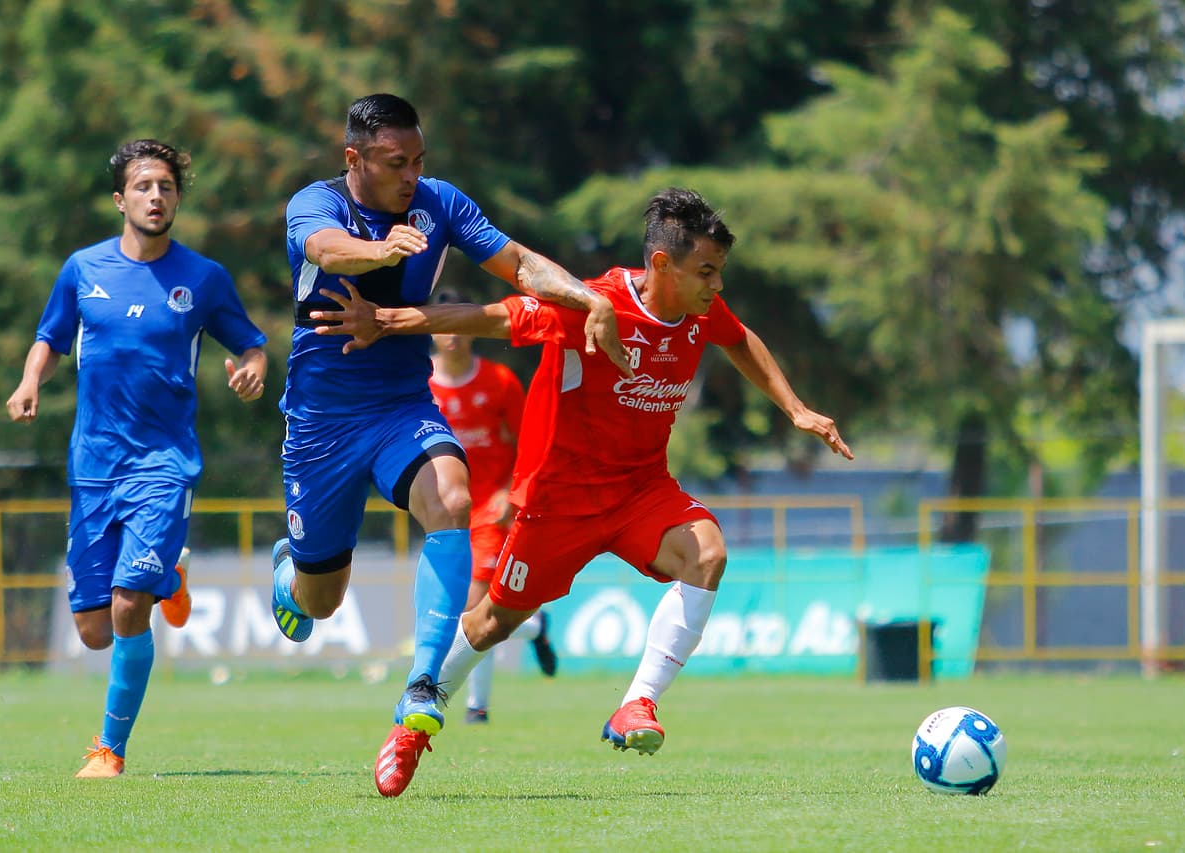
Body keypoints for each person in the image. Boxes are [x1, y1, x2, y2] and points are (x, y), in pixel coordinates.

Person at [310, 187, 853, 796]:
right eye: (707, 271)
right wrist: (386, 321)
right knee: (491, 622)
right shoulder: (593, 305)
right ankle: (410, 727)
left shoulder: (699, 311)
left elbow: (739, 338)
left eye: (720, 272)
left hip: (642, 491)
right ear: (661, 265)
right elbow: (493, 316)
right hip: (559, 503)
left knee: (707, 555)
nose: (716, 286)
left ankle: (637, 705)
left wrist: (797, 409)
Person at [269, 93, 629, 784]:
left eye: (418, 160)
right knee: (320, 601)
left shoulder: (439, 203)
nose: (410, 175)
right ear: (355, 159)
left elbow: (521, 265)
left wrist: (589, 298)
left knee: (452, 496)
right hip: (321, 425)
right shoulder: (315, 204)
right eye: (394, 163)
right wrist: (380, 249)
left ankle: (423, 683)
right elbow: (323, 249)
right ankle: (291, 573)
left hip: (402, 405)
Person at [6, 139, 268, 778]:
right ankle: (170, 579)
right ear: (121, 199)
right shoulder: (82, 268)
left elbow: (252, 344)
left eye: (167, 187)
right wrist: (29, 379)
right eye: (145, 187)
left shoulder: (203, 278)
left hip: (163, 462)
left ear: (178, 198)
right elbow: (49, 336)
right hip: (93, 465)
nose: (157, 197)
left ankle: (108, 750)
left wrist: (254, 370)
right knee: (94, 631)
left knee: (128, 604)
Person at [427, 290, 557, 725]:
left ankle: (475, 706)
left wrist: (511, 492)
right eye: (443, 324)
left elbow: (530, 441)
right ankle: (536, 627)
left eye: (460, 324)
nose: (453, 335)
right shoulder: (418, 385)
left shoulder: (499, 381)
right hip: (441, 511)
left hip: (488, 510)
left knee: (472, 607)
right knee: (474, 612)